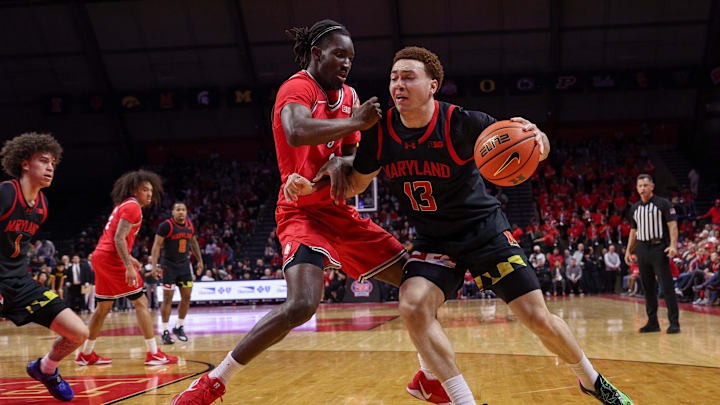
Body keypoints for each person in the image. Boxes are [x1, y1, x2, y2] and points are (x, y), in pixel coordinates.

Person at [292, 46, 632, 404]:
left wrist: (537, 138)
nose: (398, 85)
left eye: (409, 77)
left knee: (536, 316)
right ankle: (461, 399)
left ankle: (591, 380)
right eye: (394, 78)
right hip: (435, 240)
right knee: (411, 304)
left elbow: (532, 145)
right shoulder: (380, 133)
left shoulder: (462, 122)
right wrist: (329, 172)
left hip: (484, 232)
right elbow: (357, 183)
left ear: (433, 85)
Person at [171, 20, 414, 405]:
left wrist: (338, 163)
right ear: (317, 54)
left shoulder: (349, 95)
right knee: (302, 304)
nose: (347, 63)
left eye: (351, 57)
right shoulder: (297, 87)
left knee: (418, 282)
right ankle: (214, 382)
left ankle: (429, 376)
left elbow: (350, 153)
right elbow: (296, 131)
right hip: (300, 212)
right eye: (339, 54)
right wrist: (357, 123)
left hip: (337, 210)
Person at [0, 132, 88, 401]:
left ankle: (46, 369)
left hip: (20, 281)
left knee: (78, 333)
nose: (50, 167)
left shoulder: (42, 206)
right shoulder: (5, 193)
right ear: (25, 164)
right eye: (43, 161)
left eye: (53, 163)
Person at [76, 170, 178, 366]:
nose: (149, 194)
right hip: (111, 259)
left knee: (103, 307)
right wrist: (127, 265)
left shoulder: (122, 205)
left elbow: (113, 238)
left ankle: (86, 354)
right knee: (141, 302)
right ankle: (154, 353)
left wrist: (130, 258)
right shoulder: (133, 207)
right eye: (145, 190)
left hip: (100, 256)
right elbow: (118, 238)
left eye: (151, 190)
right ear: (134, 190)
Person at [625, 174, 680, 334]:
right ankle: (652, 322)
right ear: (636, 188)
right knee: (647, 287)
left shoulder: (662, 203)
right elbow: (633, 231)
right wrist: (629, 250)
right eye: (640, 185)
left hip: (658, 248)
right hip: (642, 249)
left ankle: (674, 322)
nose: (642, 188)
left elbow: (672, 225)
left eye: (645, 185)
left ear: (652, 187)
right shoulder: (634, 208)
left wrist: (673, 245)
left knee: (667, 286)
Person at [150, 202, 203, 345]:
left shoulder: (190, 225)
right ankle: (165, 331)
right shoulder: (166, 226)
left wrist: (200, 260)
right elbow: (156, 246)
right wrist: (154, 266)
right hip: (168, 265)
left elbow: (193, 242)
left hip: (184, 265)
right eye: (178, 210)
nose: (181, 212)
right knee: (168, 298)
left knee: (187, 296)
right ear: (173, 212)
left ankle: (179, 326)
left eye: (183, 210)